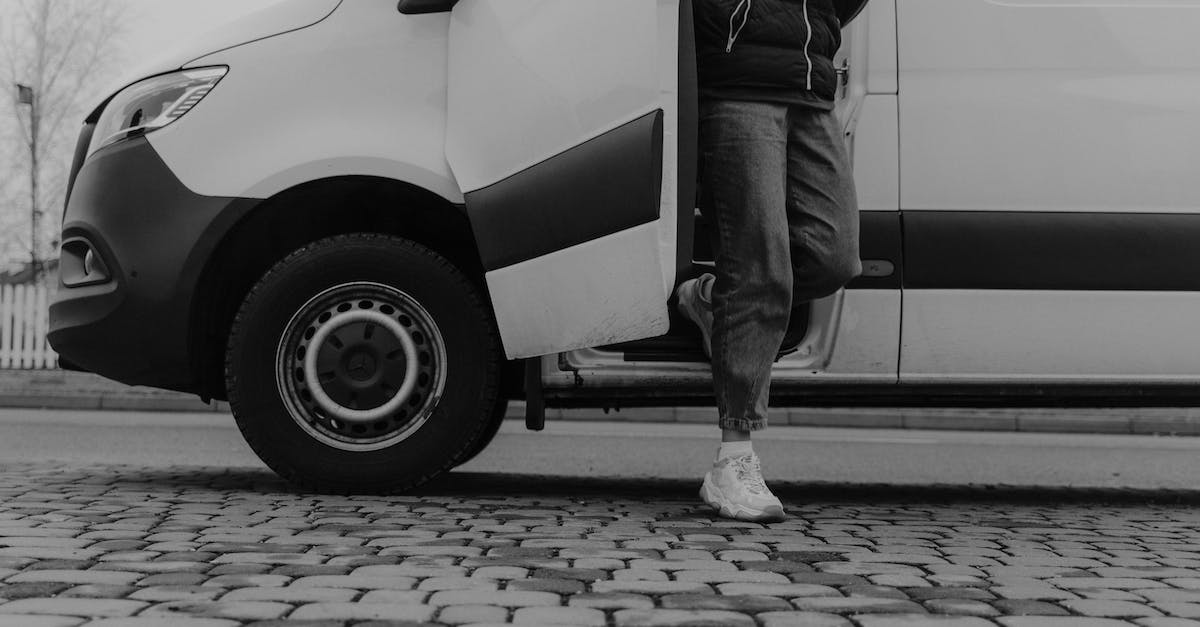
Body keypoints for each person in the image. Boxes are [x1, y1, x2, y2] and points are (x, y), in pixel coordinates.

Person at [679, 0, 870, 522]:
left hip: (809, 80)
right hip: (738, 82)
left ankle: (713, 298)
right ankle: (732, 460)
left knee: (834, 255)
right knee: (759, 266)